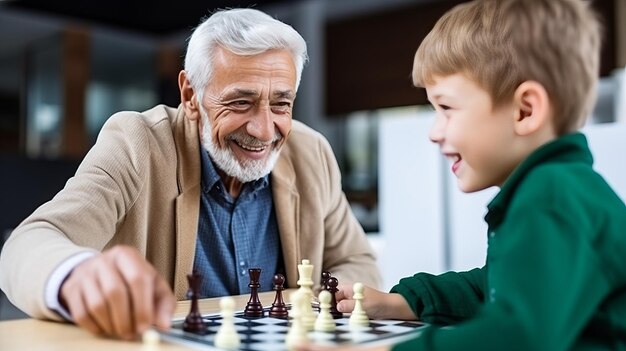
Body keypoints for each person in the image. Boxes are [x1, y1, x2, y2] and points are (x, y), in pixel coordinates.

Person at [0, 8, 381, 340]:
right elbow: (26, 245)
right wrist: (77, 276)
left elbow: (358, 263)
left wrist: (325, 301)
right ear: (190, 95)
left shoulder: (311, 152)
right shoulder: (138, 143)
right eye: (241, 102)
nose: (264, 130)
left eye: (281, 104)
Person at [297, 0, 626, 350]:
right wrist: (402, 302)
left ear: (524, 110)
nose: (434, 132)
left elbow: (515, 337)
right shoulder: (560, 189)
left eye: (447, 108)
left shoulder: (551, 197)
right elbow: (494, 287)